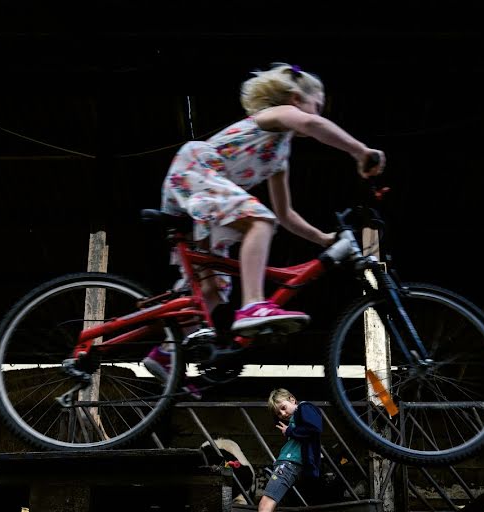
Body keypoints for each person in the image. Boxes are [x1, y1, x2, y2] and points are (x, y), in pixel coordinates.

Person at [143, 62, 386, 386]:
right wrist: (360, 152)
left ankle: (168, 356)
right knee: (260, 220)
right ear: (294, 97)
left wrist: (324, 239)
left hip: (205, 189)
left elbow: (287, 215)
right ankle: (254, 305)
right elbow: (312, 123)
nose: (319, 110)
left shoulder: (279, 157)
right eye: (318, 102)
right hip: (197, 169)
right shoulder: (274, 117)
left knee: (214, 289)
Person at [241, 387, 323, 512]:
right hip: (285, 464)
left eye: (284, 408)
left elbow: (315, 427)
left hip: (289, 465)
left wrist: (290, 431)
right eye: (279, 413)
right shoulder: (297, 416)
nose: (283, 414)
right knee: (265, 509)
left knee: (265, 505)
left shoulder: (304, 408)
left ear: (292, 399)